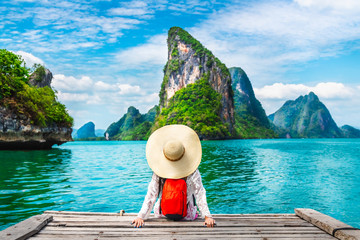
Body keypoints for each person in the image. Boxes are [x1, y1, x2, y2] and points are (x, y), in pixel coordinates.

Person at [132, 124, 216, 228]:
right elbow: (200, 193)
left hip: (162, 213)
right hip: (186, 215)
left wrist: (141, 216)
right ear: (184, 152)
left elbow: (151, 195)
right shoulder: (192, 170)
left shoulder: (159, 171)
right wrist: (207, 216)